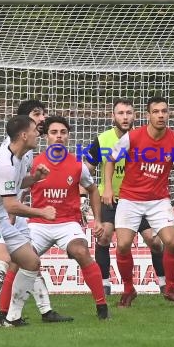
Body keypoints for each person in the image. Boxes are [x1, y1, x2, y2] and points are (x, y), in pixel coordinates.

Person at [0, 100, 72, 324]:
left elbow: (16, 184)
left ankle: (12, 315)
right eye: (36, 120)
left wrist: (34, 179)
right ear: (23, 133)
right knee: (0, 259)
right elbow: (10, 204)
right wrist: (42, 212)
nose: (40, 124)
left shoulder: (24, 153)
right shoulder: (4, 161)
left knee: (31, 262)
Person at [102, 96, 174, 308]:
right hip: (130, 199)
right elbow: (110, 160)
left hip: (159, 200)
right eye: (156, 111)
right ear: (148, 115)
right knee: (122, 245)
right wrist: (107, 187)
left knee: (171, 242)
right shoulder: (132, 137)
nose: (161, 115)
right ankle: (128, 289)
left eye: (164, 111)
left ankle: (170, 288)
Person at [29, 116, 109, 320]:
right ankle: (8, 311)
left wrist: (97, 220)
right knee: (22, 259)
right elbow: (18, 191)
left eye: (63, 133)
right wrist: (13, 218)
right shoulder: (33, 163)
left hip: (68, 223)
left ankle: (102, 309)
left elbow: (92, 190)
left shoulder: (77, 165)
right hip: (38, 223)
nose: (59, 137)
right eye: (54, 132)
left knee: (81, 252)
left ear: (68, 136)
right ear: (46, 136)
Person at [84, 98, 166, 295]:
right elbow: (86, 171)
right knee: (103, 237)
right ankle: (104, 283)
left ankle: (164, 283)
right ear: (113, 116)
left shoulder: (144, 138)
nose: (125, 117)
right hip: (110, 200)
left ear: (135, 116)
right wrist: (83, 196)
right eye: (120, 113)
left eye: (129, 113)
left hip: (139, 199)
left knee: (154, 241)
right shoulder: (102, 139)